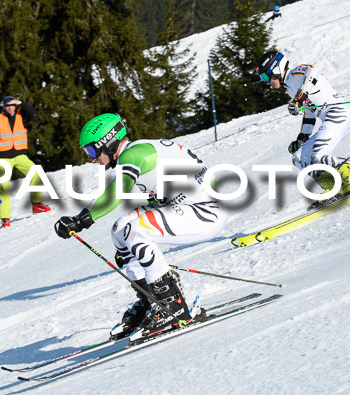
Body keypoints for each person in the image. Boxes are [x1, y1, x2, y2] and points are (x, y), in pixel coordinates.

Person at [54, 113, 227, 341]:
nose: (92, 159)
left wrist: (80, 219)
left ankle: (171, 304)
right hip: (189, 207)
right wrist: (129, 252)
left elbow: (115, 193)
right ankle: (150, 299)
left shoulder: (134, 155)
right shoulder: (136, 153)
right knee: (121, 228)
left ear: (109, 142)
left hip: (205, 210)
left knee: (135, 230)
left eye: (92, 152)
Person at [255, 50, 350, 195]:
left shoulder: (295, 75)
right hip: (330, 119)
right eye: (263, 79)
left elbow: (311, 69)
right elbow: (309, 113)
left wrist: (301, 96)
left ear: (276, 69)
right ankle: (335, 186)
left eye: (266, 76)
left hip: (338, 114)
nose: (267, 82)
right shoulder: (290, 89)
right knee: (299, 157)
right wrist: (302, 138)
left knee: (319, 154)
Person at [0, 95, 51, 227]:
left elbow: (34, 113)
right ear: (4, 107)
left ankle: (37, 204)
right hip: (4, 157)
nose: (10, 107)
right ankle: (5, 219)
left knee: (36, 173)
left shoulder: (21, 116)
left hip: (20, 156)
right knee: (3, 187)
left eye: (12, 105)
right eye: (7, 105)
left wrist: (20, 102)